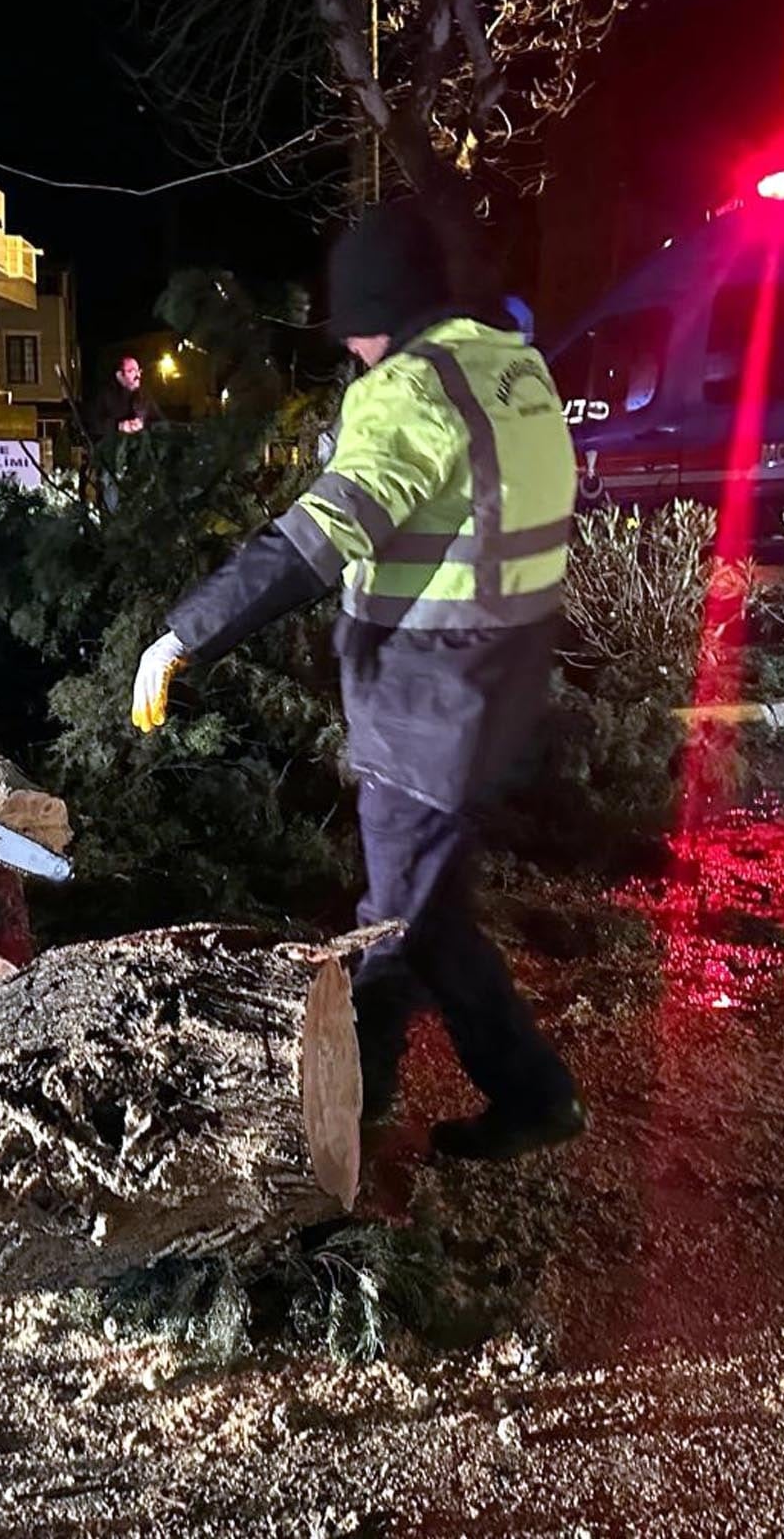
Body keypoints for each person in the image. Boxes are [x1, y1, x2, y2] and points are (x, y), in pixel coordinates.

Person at [128, 202, 586, 1162]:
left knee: (401, 922)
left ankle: (377, 1119)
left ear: (382, 312)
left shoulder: (411, 391)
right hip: (499, 685)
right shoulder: (513, 367)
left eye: (356, 331)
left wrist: (181, 638)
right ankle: (450, 1095)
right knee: (425, 906)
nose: (356, 355)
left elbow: (319, 538)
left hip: (431, 698)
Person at [88, 355, 161, 440]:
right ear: (119, 375)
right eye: (131, 371)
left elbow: (160, 421)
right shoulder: (103, 393)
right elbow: (92, 424)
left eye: (138, 371)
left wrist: (142, 424)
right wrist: (119, 426)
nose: (137, 375)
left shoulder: (144, 395)